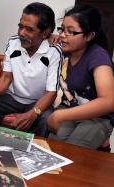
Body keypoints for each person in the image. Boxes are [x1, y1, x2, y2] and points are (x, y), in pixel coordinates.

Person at [0, 2, 62, 137]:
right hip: (11, 99)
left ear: (45, 33)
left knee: (45, 120)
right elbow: (6, 77)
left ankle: (31, 154)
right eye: (20, 26)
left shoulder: (54, 52)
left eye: (29, 29)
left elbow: (51, 93)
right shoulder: (13, 42)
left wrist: (32, 114)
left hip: (37, 102)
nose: (21, 33)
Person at [47, 4, 114, 149]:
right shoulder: (68, 49)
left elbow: (109, 101)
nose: (63, 35)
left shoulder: (98, 56)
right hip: (72, 112)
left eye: (70, 31)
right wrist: (49, 36)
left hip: (97, 118)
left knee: (72, 152)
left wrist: (59, 116)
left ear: (89, 36)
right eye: (62, 29)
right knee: (52, 146)